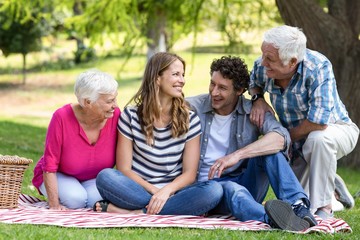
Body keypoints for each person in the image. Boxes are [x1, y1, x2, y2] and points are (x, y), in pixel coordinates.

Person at [186, 55, 317, 231]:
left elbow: (281, 137)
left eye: (222, 88)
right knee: (232, 189)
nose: (214, 92)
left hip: (244, 183)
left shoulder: (253, 111)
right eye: (212, 84)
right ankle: (275, 220)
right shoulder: (193, 107)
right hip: (204, 190)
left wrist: (236, 155)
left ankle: (298, 207)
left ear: (239, 90)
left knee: (271, 152)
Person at [249, 25, 359, 219]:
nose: (263, 62)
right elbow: (253, 83)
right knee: (297, 203)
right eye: (263, 55)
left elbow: (319, 122)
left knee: (318, 139)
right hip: (297, 141)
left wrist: (283, 139)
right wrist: (258, 100)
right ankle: (336, 192)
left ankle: (325, 208)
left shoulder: (317, 67)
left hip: (336, 130)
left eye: (270, 59)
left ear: (292, 61)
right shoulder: (263, 65)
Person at [94, 52, 223, 216]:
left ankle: (136, 212)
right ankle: (169, 208)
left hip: (174, 191)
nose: (182, 80)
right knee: (105, 177)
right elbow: (124, 169)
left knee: (214, 190)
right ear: (157, 78)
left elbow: (190, 174)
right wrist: (156, 191)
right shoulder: (130, 116)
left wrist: (166, 191)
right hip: (138, 189)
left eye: (182, 75)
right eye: (176, 74)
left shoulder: (190, 119)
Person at [32, 69, 120, 209]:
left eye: (115, 98)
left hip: (94, 178)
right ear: (87, 102)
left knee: (94, 202)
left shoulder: (115, 116)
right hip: (61, 175)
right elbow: (50, 164)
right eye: (110, 101)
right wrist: (54, 204)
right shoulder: (61, 118)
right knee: (76, 200)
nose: (115, 105)